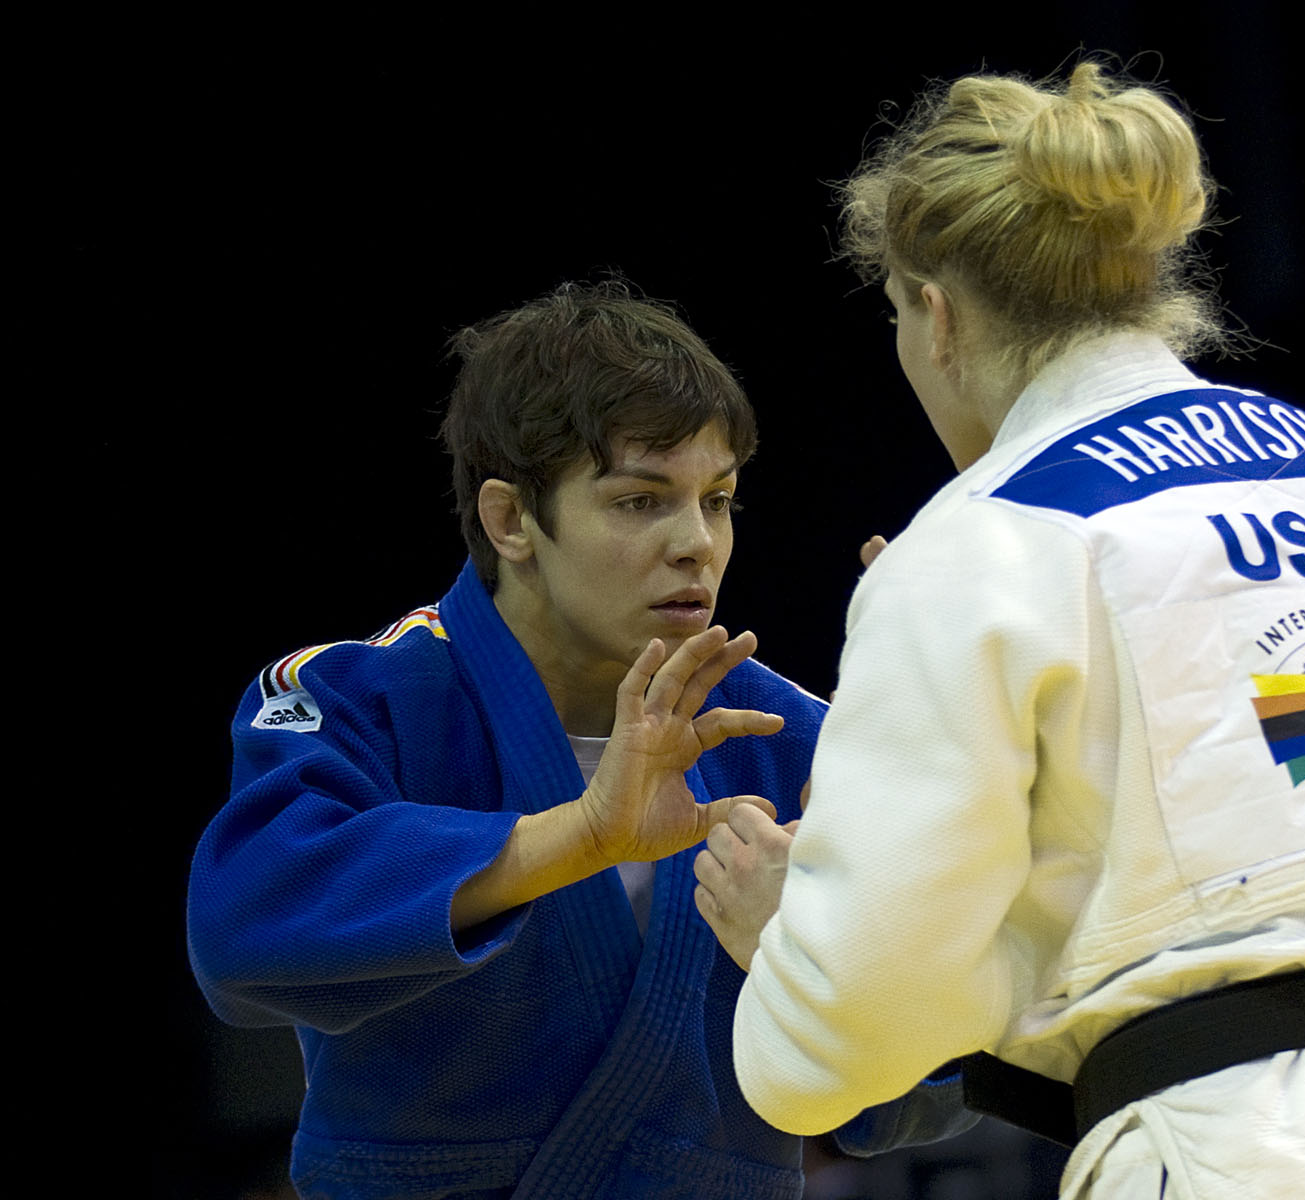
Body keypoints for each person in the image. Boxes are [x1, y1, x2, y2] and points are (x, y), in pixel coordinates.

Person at [696, 62, 1305, 1197]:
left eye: (896, 314)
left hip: (1245, 1158)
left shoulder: (978, 545)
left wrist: (790, 943)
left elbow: (840, 1046)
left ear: (935, 317)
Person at [186, 281, 969, 1200]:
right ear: (511, 519)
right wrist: (581, 837)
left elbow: (926, 1086)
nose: (697, 545)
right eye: (641, 501)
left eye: (717, 501)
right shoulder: (361, 699)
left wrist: (826, 960)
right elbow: (239, 938)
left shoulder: (790, 742)